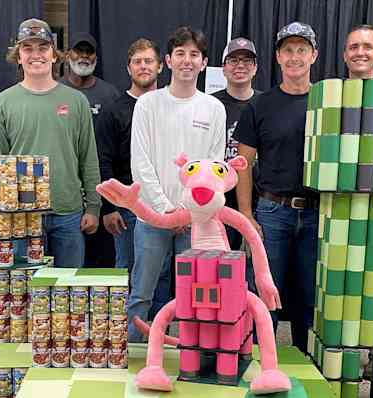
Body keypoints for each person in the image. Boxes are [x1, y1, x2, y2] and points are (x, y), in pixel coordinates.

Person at [127, 26, 226, 342]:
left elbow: (214, 170)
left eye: (194, 54)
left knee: (196, 296)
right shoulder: (148, 105)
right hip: (151, 219)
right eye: (180, 54)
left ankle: (191, 357)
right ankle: (130, 358)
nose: (187, 60)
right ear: (167, 61)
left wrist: (187, 212)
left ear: (204, 62)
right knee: (142, 293)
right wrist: (166, 209)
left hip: (196, 222)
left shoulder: (213, 109)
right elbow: (140, 163)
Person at [234, 21, 319, 353]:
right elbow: (243, 163)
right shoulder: (261, 104)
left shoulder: (328, 102)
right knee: (266, 293)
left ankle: (309, 362)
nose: (294, 57)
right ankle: (260, 363)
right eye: (288, 50)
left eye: (301, 50)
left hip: (317, 213)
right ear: (278, 57)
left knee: (310, 296)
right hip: (272, 212)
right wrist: (244, 214)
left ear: (313, 55)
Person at [0, 18, 100, 268]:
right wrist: (1, 214)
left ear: (54, 55)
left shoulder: (76, 101)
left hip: (68, 213)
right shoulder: (2, 103)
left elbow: (88, 158)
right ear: (18, 56)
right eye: (28, 48)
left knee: (68, 295)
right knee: (25, 297)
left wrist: (93, 206)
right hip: (21, 217)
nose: (35, 55)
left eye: (43, 48)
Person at [95, 38, 163, 269]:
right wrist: (109, 207)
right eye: (137, 61)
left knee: (161, 272)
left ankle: (160, 308)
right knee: (127, 269)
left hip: (162, 203)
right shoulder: (113, 111)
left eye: (149, 61)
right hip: (126, 207)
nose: (143, 66)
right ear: (128, 68)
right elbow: (103, 162)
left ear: (160, 66)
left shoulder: (169, 107)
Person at [60, 32, 121, 267]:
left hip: (102, 191)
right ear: (67, 55)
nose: (84, 56)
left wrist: (107, 204)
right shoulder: (57, 91)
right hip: (66, 194)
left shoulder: (110, 94)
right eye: (78, 51)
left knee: (100, 263)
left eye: (89, 52)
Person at [212, 37, 262, 250]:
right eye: (233, 60)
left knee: (254, 268)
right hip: (218, 201)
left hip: (258, 201)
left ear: (255, 68)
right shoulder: (210, 104)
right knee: (219, 267)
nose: (240, 65)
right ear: (223, 68)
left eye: (247, 60)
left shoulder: (265, 104)